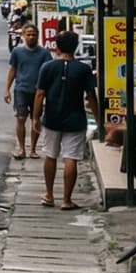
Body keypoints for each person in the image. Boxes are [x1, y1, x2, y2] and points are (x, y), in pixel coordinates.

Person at [30, 28, 101, 211]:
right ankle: (67, 200)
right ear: (76, 47)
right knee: (71, 158)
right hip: (75, 120)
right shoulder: (84, 69)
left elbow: (39, 94)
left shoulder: (48, 67)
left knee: (50, 155)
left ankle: (49, 195)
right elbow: (91, 96)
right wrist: (99, 118)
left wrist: (36, 117)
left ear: (57, 46)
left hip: (52, 118)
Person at [3, 23, 47, 161]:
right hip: (21, 89)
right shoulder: (17, 52)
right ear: (23, 36)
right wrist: (7, 89)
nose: (31, 37)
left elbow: (48, 73)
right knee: (21, 118)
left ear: (38, 36)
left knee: (36, 119)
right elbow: (12, 70)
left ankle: (33, 149)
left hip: (38, 91)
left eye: (34, 35)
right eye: (28, 34)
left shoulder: (44, 53)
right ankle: (22, 148)